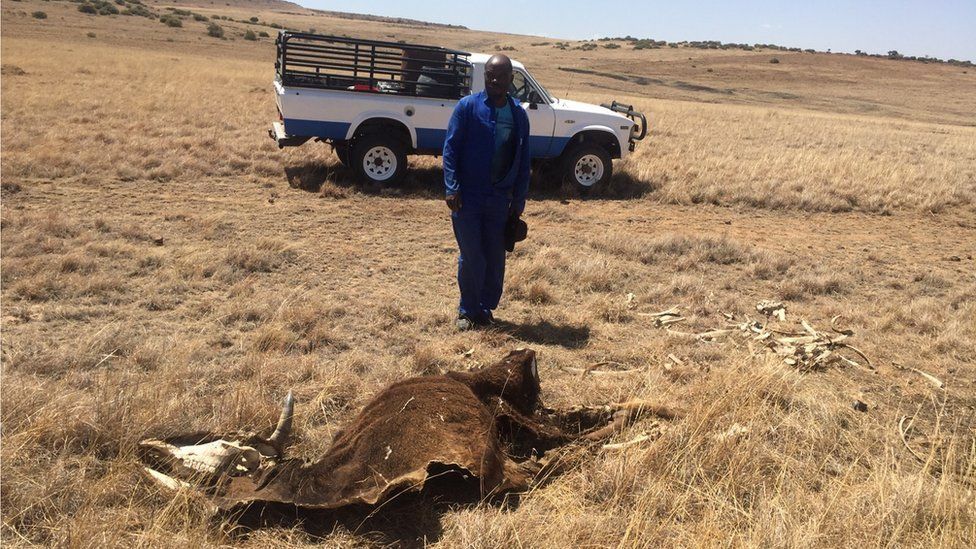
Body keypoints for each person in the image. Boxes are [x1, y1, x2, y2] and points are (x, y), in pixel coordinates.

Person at [443, 54, 531, 330]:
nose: (494, 80)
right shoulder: (467, 107)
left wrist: (518, 200)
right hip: (467, 197)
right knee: (472, 254)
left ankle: (484, 309)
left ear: (510, 79)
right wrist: (451, 186)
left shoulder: (518, 114)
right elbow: (451, 149)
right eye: (490, 75)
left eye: (500, 76)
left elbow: (524, 157)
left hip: (499, 199)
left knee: (494, 256)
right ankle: (466, 311)